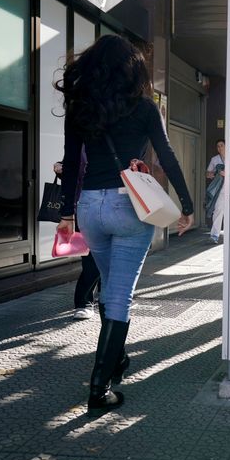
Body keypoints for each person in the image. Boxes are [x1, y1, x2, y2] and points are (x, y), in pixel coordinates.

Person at [56, 34, 194, 417]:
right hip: (129, 209)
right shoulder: (145, 108)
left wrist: (67, 214)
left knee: (108, 286)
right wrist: (187, 205)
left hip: (89, 208)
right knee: (119, 297)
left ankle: (115, 359)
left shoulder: (80, 107)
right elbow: (167, 155)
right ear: (132, 68)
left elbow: (70, 164)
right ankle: (99, 390)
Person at [54, 157, 99, 320]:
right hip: (84, 208)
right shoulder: (83, 144)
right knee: (92, 259)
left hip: (115, 207)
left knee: (112, 258)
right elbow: (72, 171)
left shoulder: (120, 141)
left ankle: (106, 295)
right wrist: (61, 168)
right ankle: (84, 302)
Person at [205, 139, 226, 243]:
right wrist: (214, 173)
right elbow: (208, 174)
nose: (220, 148)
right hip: (219, 189)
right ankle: (214, 235)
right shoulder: (215, 159)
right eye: (218, 146)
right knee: (218, 210)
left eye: (222, 145)